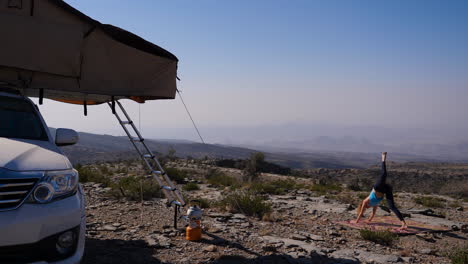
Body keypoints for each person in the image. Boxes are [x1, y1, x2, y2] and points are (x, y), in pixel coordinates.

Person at [353, 152, 407, 229]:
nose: (367, 208)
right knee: (392, 207)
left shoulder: (365, 201)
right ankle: (404, 224)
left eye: (366, 207)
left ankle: (383, 158)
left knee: (384, 174)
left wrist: (356, 221)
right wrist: (370, 220)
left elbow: (361, 213)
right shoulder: (374, 204)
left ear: (364, 206)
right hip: (385, 189)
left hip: (378, 187)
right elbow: (373, 213)